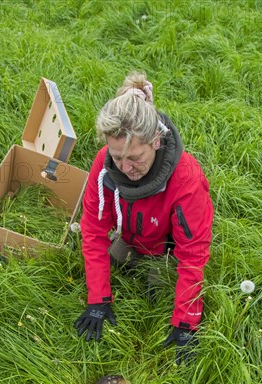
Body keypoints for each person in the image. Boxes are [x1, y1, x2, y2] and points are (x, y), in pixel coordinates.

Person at [74, 72, 213, 365]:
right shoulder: (105, 164)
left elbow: (194, 254)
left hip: (165, 248)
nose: (125, 168)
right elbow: (94, 231)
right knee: (108, 267)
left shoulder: (186, 180)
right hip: (128, 236)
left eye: (135, 157)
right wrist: (98, 299)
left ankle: (156, 269)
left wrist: (186, 324)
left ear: (156, 141)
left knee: (154, 291)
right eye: (117, 157)